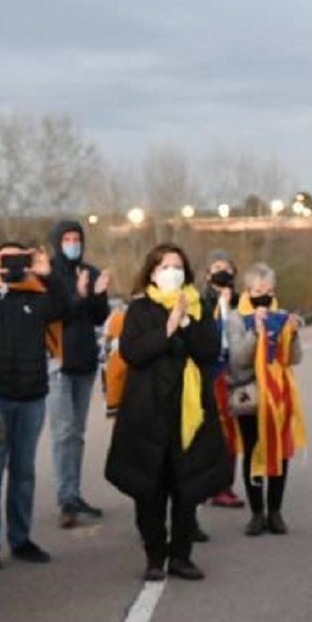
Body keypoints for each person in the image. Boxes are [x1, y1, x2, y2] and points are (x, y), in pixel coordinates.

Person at [104, 243, 230, 581]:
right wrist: (168, 329)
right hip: (148, 411)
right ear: (152, 273)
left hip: (189, 412)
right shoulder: (140, 309)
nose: (172, 272)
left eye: (177, 266)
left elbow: (210, 351)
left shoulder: (199, 304)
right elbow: (132, 353)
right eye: (164, 267)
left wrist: (187, 323)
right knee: (150, 489)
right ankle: (154, 555)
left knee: (186, 487)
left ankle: (181, 555)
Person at [0, 243, 70, 569]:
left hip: (32, 397)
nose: (12, 263)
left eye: (17, 257)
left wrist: (47, 274)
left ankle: (20, 538)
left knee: (23, 474)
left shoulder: (37, 296)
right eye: (5, 257)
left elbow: (66, 307)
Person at [224, 264, 306, 536]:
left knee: (280, 451)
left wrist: (291, 335)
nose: (264, 296)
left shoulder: (280, 316)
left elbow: (294, 358)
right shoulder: (237, 318)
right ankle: (257, 513)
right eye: (258, 291)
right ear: (247, 291)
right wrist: (256, 332)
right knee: (254, 449)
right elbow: (237, 359)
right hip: (249, 392)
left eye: (269, 291)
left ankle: (276, 511)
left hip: (279, 394)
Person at [44, 218, 112, 528]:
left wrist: (98, 294)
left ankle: (74, 492)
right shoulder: (50, 275)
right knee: (63, 432)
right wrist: (80, 295)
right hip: (58, 363)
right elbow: (58, 313)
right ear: (57, 242)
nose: (73, 243)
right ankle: (65, 498)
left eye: (77, 238)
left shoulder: (90, 271)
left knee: (78, 433)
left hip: (85, 362)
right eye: (67, 238)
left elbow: (100, 317)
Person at [202, 251, 244, 515]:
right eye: (217, 267)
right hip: (211, 372)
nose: (222, 272)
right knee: (211, 433)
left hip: (235, 373)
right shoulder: (202, 301)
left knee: (232, 433)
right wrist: (220, 308)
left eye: (227, 267)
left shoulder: (242, 301)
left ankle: (224, 486)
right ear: (208, 274)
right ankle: (210, 485)